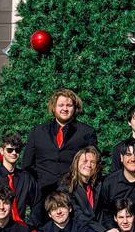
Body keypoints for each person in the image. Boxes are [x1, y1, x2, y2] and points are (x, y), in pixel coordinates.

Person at [21, 89, 98, 223]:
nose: (65, 109)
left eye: (69, 105)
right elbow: (27, 165)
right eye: (61, 105)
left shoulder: (86, 132)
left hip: (72, 191)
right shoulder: (37, 132)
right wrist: (36, 187)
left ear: (75, 108)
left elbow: (93, 163)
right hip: (41, 194)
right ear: (54, 107)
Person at [0, 132, 39, 227]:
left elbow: (37, 202)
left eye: (17, 150)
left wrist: (30, 225)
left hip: (20, 227)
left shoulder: (26, 177)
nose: (14, 153)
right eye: (10, 150)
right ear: (1, 151)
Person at [61, 147, 107, 232]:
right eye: (84, 161)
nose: (89, 165)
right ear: (76, 163)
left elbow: (105, 212)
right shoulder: (66, 188)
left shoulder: (100, 185)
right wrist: (102, 231)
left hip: (101, 231)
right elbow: (78, 216)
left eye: (92, 162)